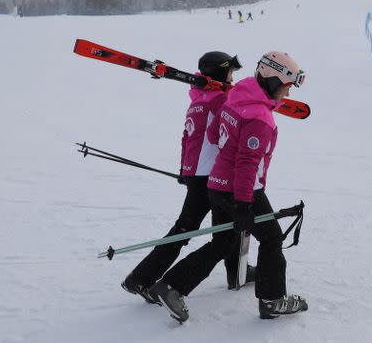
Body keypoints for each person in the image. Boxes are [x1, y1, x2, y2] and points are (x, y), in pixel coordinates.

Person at [150, 52, 308, 322]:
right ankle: (272, 299)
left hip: (217, 185)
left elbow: (214, 135)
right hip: (241, 189)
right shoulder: (259, 117)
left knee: (223, 242)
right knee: (271, 238)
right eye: (286, 85)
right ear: (271, 81)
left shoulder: (236, 98)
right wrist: (245, 204)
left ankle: (171, 286)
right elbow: (247, 163)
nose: (288, 91)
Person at [121, 51, 255, 304]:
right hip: (213, 176)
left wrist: (186, 171)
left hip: (197, 173)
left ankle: (141, 278)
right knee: (226, 230)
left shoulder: (198, 101)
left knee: (188, 228)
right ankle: (223, 275)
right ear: (219, 74)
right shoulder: (219, 102)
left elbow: (187, 139)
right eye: (230, 73)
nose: (233, 77)